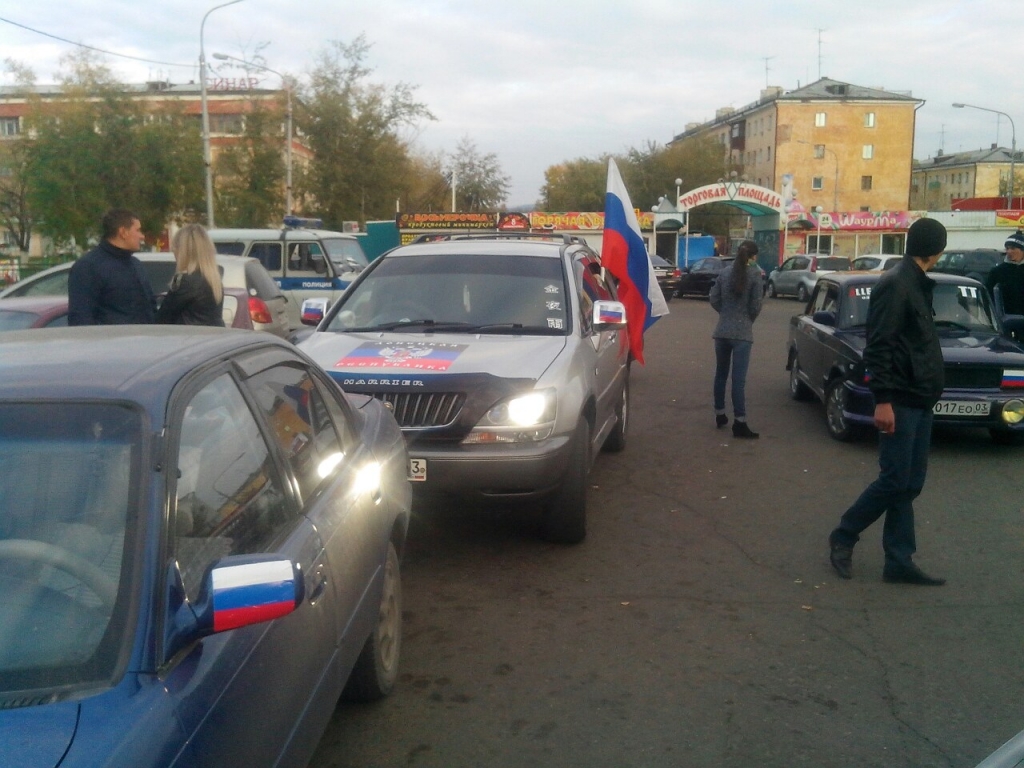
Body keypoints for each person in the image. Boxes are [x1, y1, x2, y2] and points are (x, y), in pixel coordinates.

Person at [829, 217, 948, 586]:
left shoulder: (916, 283)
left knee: (910, 483)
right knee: (895, 479)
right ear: (936, 250)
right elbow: (879, 344)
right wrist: (883, 400)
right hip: (900, 400)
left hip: (921, 399)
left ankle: (898, 560)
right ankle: (844, 534)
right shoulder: (896, 285)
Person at [709, 240, 763, 438]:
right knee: (738, 380)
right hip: (742, 334)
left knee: (720, 374)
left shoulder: (724, 273)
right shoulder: (755, 274)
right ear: (753, 256)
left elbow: (714, 298)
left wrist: (725, 314)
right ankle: (739, 422)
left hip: (722, 331)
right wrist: (747, 320)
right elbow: (756, 305)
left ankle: (720, 413)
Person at [68, 209, 156, 325]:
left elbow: (150, 309)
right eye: (138, 230)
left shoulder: (136, 264)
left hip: (144, 340)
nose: (142, 236)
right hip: (111, 342)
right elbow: (81, 318)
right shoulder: (88, 267)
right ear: (123, 232)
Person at [156, 223, 225, 327]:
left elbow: (162, 319)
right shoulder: (214, 280)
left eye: (175, 248)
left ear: (183, 251)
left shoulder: (185, 282)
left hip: (189, 339)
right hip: (212, 339)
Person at [986, 230, 1024, 324]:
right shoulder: (997, 272)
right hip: (1005, 322)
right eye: (1007, 248)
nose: (1009, 251)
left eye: (1013, 248)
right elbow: (988, 297)